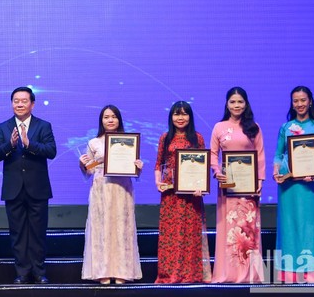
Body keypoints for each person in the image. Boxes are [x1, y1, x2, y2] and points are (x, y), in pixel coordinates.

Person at [0, 86, 57, 284]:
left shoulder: (43, 126)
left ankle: (39, 272)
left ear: (32, 104)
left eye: (24, 101)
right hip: (13, 189)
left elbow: (51, 151)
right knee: (17, 233)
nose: (19, 104)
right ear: (12, 104)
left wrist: (29, 144)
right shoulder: (3, 127)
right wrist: (10, 145)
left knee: (38, 233)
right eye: (16, 101)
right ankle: (22, 273)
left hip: (38, 188)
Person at [79, 105, 143, 285]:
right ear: (101, 120)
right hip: (101, 189)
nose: (110, 120)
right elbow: (90, 170)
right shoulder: (94, 142)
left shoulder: (128, 141)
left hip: (122, 189)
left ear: (119, 119)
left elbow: (134, 172)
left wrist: (138, 167)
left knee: (122, 227)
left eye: (114, 116)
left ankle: (122, 271)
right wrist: (84, 164)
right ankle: (103, 271)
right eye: (106, 117)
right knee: (102, 228)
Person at [273, 85, 314, 283]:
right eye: (295, 101)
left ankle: (310, 271)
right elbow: (278, 154)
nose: (299, 104)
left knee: (309, 225)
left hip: (309, 184)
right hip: (288, 184)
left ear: (310, 101)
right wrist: (275, 169)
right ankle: (288, 273)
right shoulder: (285, 127)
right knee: (288, 225)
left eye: (303, 100)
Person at [210, 87, 266, 283]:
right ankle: (228, 273)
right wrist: (217, 172)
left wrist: (260, 181)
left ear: (246, 104)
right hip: (228, 188)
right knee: (229, 231)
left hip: (248, 189)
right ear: (227, 104)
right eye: (233, 102)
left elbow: (260, 155)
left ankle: (250, 274)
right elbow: (213, 155)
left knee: (247, 231)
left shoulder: (254, 127)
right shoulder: (219, 127)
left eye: (240, 102)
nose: (236, 106)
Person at [154, 101, 211, 283]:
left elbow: (203, 165)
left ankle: (190, 274)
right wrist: (158, 181)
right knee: (171, 235)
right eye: (177, 114)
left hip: (191, 194)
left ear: (190, 117)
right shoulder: (165, 138)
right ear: (171, 117)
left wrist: (200, 186)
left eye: (184, 114)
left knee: (190, 234)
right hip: (170, 193)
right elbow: (158, 164)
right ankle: (169, 274)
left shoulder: (197, 137)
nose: (180, 117)